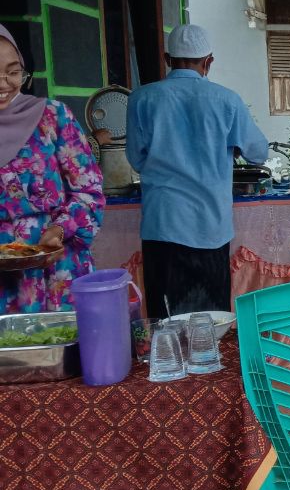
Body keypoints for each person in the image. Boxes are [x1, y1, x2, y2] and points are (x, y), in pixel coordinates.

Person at [127, 24, 268, 317]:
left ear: (168, 59)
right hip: (210, 226)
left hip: (163, 222)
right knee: (210, 322)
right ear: (209, 62)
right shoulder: (226, 99)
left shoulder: (142, 98)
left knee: (164, 321)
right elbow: (258, 152)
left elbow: (136, 159)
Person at [0, 25, 103, 312]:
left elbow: (89, 192)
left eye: (13, 71)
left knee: (63, 352)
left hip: (57, 271)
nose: (5, 83)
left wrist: (60, 227)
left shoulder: (52, 117)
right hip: (3, 289)